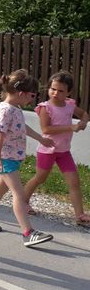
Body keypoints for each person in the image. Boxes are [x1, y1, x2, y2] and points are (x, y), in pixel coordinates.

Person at [0, 70, 55, 247]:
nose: (33, 99)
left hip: (10, 157)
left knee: (0, 188)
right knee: (19, 194)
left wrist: (40, 138)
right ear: (21, 93)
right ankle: (28, 232)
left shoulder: (14, 109)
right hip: (5, 158)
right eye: (32, 95)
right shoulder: (6, 111)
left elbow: (22, 127)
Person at [23, 70, 90, 224]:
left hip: (64, 151)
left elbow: (84, 114)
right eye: (53, 89)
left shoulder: (70, 105)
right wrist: (71, 127)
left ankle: (80, 215)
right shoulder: (45, 107)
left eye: (60, 91)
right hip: (47, 150)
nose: (55, 93)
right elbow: (46, 129)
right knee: (40, 178)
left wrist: (83, 123)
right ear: (49, 88)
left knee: (74, 182)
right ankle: (22, 201)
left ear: (68, 92)